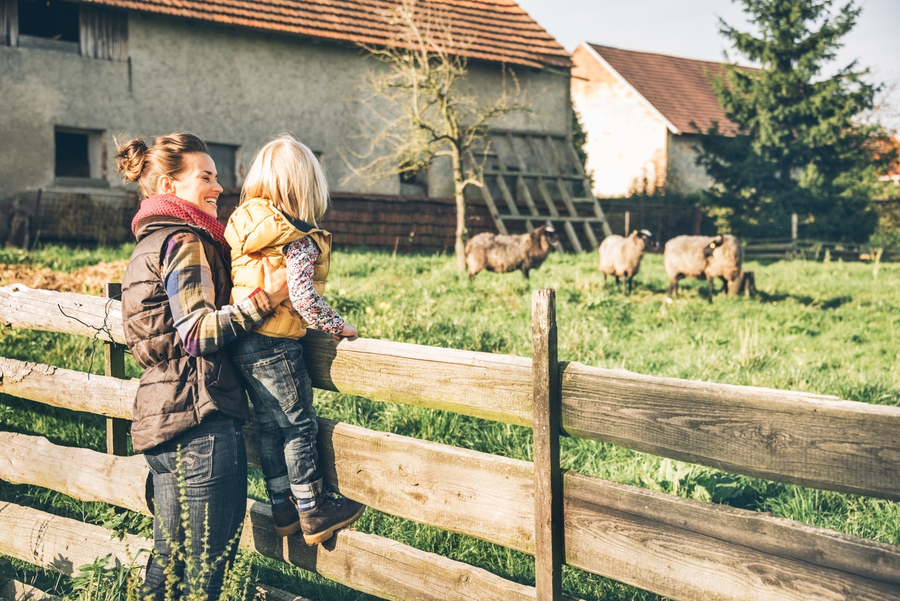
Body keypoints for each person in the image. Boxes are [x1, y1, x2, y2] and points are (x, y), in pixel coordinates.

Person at [116, 133, 288, 600]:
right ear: (170, 186)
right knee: (204, 573)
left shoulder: (148, 243)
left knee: (169, 563)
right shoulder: (183, 240)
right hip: (201, 421)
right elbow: (196, 333)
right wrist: (263, 302)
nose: (219, 187)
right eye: (206, 177)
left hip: (164, 418)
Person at [224, 134, 365, 545]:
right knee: (299, 426)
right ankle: (313, 509)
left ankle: (283, 508)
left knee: (271, 428)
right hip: (276, 342)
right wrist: (338, 326)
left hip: (243, 339)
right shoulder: (296, 235)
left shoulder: (245, 225)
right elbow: (302, 296)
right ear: (305, 187)